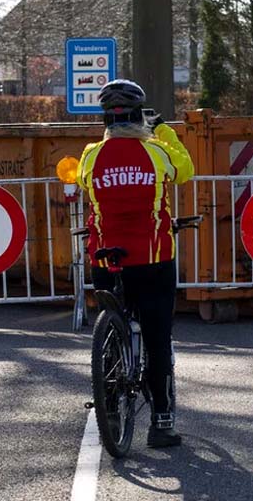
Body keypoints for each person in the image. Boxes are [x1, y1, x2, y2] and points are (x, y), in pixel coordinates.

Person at [75, 79, 194, 449]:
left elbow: (84, 184)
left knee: (111, 329)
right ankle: (162, 422)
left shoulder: (91, 156)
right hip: (152, 258)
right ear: (140, 115)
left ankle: (110, 410)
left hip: (105, 257)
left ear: (105, 120)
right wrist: (163, 130)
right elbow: (186, 170)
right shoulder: (156, 152)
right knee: (158, 337)